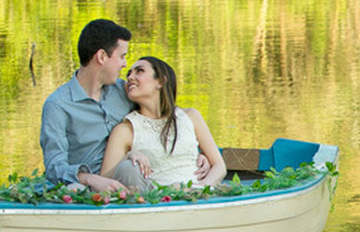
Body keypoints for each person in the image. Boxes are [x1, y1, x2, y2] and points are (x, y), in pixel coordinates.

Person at [39, 19, 210, 190]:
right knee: (75, 189)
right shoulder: (58, 105)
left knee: (130, 168)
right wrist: (91, 179)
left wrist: (198, 153)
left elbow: (161, 117)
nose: (125, 64)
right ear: (102, 57)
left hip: (130, 177)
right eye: (122, 56)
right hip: (87, 187)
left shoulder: (124, 91)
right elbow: (55, 167)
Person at [99, 56, 227, 189]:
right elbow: (105, 180)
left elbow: (219, 166)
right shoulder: (125, 130)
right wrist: (128, 156)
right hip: (155, 201)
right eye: (128, 74)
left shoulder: (191, 116)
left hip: (197, 197)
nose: (130, 78)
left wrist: (200, 189)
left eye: (140, 71)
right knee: (127, 167)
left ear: (160, 81)